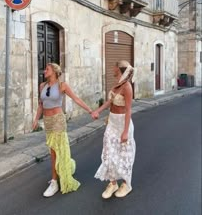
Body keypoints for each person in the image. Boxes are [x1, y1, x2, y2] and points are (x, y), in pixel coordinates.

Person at [33, 63, 93, 197]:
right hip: (47, 122)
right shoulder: (42, 86)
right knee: (53, 149)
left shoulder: (62, 86)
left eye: (47, 69)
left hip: (58, 120)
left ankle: (54, 182)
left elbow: (76, 99)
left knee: (55, 150)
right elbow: (41, 105)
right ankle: (64, 169)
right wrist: (36, 119)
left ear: (54, 71)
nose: (44, 71)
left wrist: (90, 110)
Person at [91, 60, 136, 199]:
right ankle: (113, 183)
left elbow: (128, 110)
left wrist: (125, 131)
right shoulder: (117, 86)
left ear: (119, 69)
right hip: (112, 122)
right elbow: (110, 101)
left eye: (114, 67)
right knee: (109, 152)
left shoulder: (127, 87)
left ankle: (127, 184)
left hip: (123, 123)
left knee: (124, 154)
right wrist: (97, 111)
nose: (112, 68)